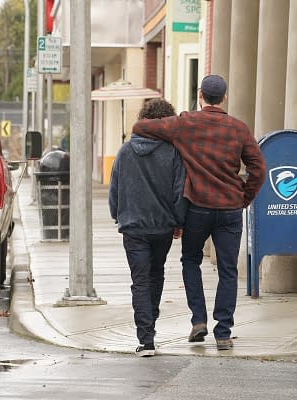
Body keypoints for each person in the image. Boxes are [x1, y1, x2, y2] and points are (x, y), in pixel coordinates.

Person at [131, 75, 266, 351]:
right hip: (229, 208)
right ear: (224, 98)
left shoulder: (185, 123)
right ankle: (224, 331)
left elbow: (140, 126)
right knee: (228, 270)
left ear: (200, 94)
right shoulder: (239, 129)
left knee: (190, 261)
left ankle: (198, 320)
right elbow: (259, 168)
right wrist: (245, 197)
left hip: (197, 208)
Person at [109, 98, 188, 357]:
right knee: (156, 275)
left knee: (140, 280)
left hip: (133, 227)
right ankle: (150, 322)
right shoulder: (173, 152)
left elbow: (115, 189)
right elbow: (179, 191)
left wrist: (117, 215)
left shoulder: (125, 151)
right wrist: (178, 222)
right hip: (162, 227)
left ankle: (146, 338)